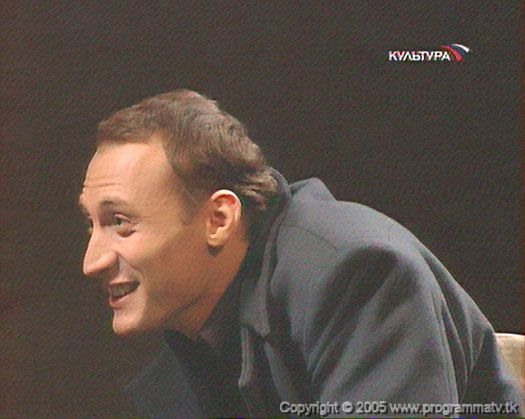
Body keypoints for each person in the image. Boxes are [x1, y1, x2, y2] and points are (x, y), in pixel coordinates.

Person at [79, 90, 521, 418]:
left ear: (218, 218)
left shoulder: (357, 273)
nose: (92, 262)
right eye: (92, 224)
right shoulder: (193, 340)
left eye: (121, 223)